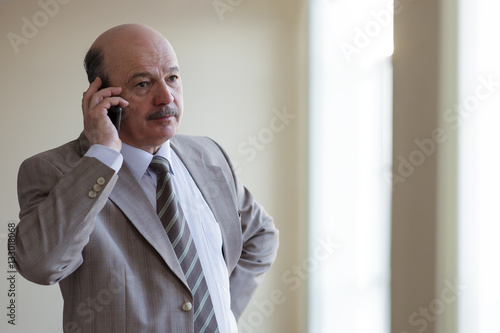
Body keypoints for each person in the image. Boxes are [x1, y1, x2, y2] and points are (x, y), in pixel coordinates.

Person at [14, 23, 279, 333]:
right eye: (143, 84)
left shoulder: (208, 154)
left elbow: (261, 236)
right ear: (102, 97)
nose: (165, 96)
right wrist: (102, 155)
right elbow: (40, 265)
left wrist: (219, 315)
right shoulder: (55, 170)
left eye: (173, 78)